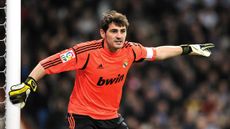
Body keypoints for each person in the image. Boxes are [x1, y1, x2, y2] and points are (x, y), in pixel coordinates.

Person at [9, 10, 214, 129]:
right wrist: (29, 83)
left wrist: (188, 49)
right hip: (83, 116)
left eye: (122, 31)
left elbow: (158, 52)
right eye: (114, 31)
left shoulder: (131, 50)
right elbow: (47, 63)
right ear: (102, 33)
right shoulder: (85, 51)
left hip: (111, 117)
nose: (119, 36)